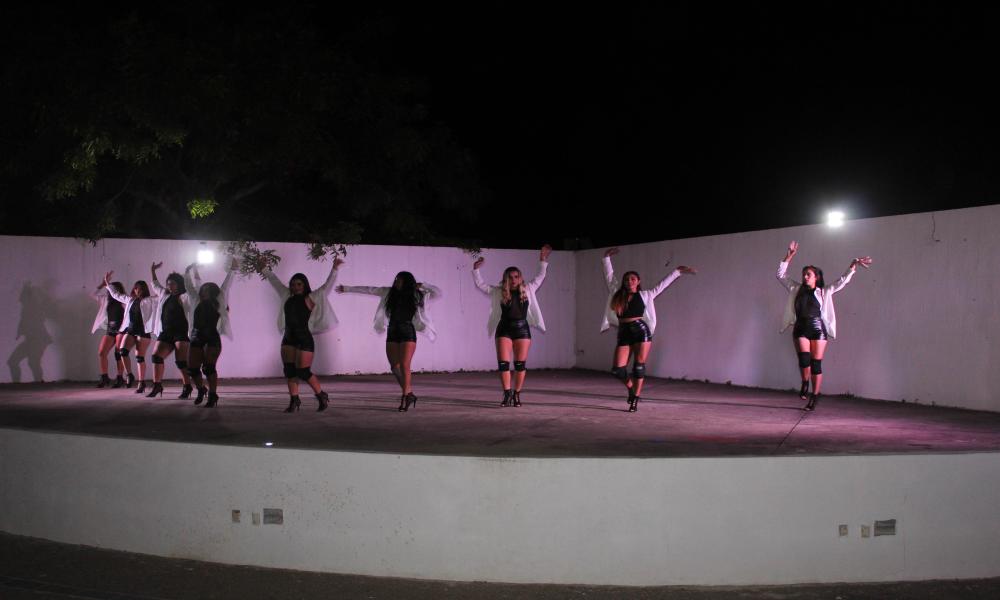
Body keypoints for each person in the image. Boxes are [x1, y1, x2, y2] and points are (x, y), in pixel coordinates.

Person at [777, 240, 873, 411]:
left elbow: (841, 282)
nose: (805, 276)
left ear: (816, 277)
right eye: (804, 274)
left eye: (808, 274)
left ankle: (814, 396)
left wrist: (853, 265)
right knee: (804, 360)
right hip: (800, 327)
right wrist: (789, 256)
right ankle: (805, 382)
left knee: (815, 363)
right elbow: (780, 275)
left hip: (818, 328)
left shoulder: (824, 291)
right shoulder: (795, 288)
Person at [601, 248, 697, 412]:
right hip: (624, 332)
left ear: (638, 281)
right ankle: (631, 389)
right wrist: (606, 258)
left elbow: (662, 285)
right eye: (627, 279)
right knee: (618, 370)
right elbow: (610, 277)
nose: (629, 281)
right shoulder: (617, 294)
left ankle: (635, 399)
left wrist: (677, 271)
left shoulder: (646, 295)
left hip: (641, 331)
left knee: (638, 367)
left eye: (632, 279)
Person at [337, 271, 440, 411]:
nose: (396, 281)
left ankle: (405, 396)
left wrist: (422, 285)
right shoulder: (388, 292)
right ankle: (409, 393)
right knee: (394, 366)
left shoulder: (417, 295)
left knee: (404, 365)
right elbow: (369, 289)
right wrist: (347, 288)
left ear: (407, 282)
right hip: (392, 331)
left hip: (407, 331)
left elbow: (437, 292)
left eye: (400, 280)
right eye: (396, 279)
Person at [472, 244, 552, 407]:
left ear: (520, 278)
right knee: (503, 364)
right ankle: (507, 393)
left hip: (522, 329)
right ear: (506, 278)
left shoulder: (528, 288)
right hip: (504, 329)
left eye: (516, 276)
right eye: (510, 277)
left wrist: (543, 259)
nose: (514, 279)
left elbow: (540, 276)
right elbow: (482, 286)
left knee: (519, 365)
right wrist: (476, 270)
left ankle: (517, 394)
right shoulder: (499, 291)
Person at [265, 257, 343, 412]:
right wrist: (264, 268)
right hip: (288, 338)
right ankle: (294, 401)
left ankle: (321, 395)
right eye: (293, 284)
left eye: (299, 284)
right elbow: (274, 280)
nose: (295, 287)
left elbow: (326, 286)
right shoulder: (286, 295)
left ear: (305, 285)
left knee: (303, 371)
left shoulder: (311, 297)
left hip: (304, 339)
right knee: (289, 370)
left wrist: (334, 269)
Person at [184, 260, 237, 408]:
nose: (204, 290)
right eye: (203, 289)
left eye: (208, 289)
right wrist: (188, 271)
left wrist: (232, 270)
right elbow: (189, 286)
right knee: (192, 369)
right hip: (196, 336)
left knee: (208, 368)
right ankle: (201, 389)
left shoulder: (219, 300)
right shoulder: (195, 299)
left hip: (212, 337)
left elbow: (226, 286)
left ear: (213, 291)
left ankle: (213, 395)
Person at [146, 262, 199, 398]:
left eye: (173, 283)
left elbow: (194, 288)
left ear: (179, 284)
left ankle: (187, 386)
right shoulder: (164, 294)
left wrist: (190, 272)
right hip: (166, 332)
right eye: (168, 283)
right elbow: (155, 285)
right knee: (156, 357)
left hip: (181, 332)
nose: (169, 286)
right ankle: (157, 385)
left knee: (181, 362)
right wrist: (152, 271)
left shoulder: (186, 296)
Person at [104, 276, 157, 394]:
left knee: (139, 357)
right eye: (135, 288)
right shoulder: (130, 300)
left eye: (139, 288)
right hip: (131, 329)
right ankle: (129, 374)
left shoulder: (150, 300)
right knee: (122, 351)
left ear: (144, 289)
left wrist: (154, 276)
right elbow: (116, 295)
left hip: (143, 331)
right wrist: (108, 283)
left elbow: (161, 295)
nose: (137, 290)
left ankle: (141, 382)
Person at [91, 274, 127, 388]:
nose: (109, 291)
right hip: (110, 330)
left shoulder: (123, 300)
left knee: (118, 354)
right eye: (108, 289)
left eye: (111, 289)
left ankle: (120, 377)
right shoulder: (106, 299)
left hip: (121, 330)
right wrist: (103, 284)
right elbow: (93, 294)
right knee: (102, 352)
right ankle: (104, 377)